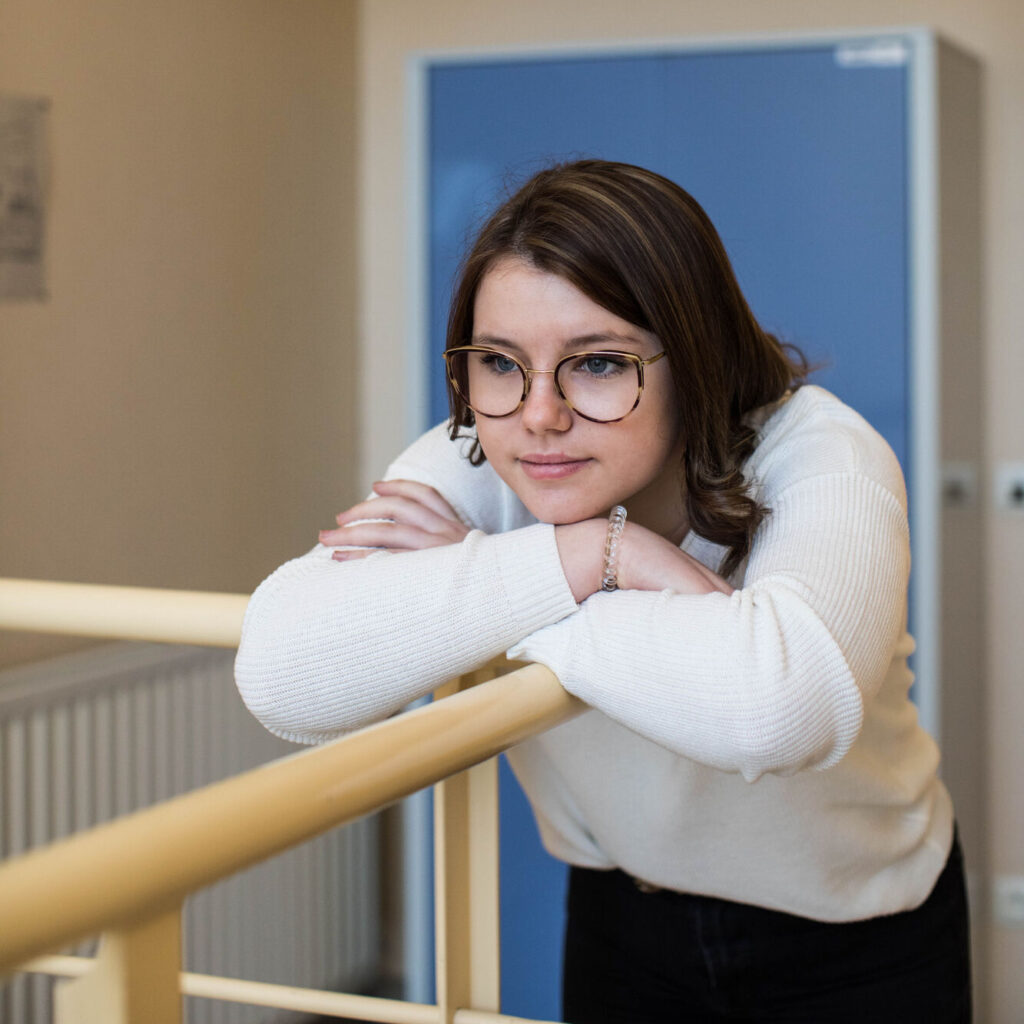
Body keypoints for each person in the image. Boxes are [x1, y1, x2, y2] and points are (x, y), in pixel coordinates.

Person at [235, 160, 971, 1023]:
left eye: (595, 364)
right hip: (625, 906)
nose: (539, 413)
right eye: (499, 361)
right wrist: (588, 556)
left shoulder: (821, 452)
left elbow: (780, 706)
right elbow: (281, 676)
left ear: (695, 358)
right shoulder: (484, 443)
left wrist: (495, 592)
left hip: (854, 922)